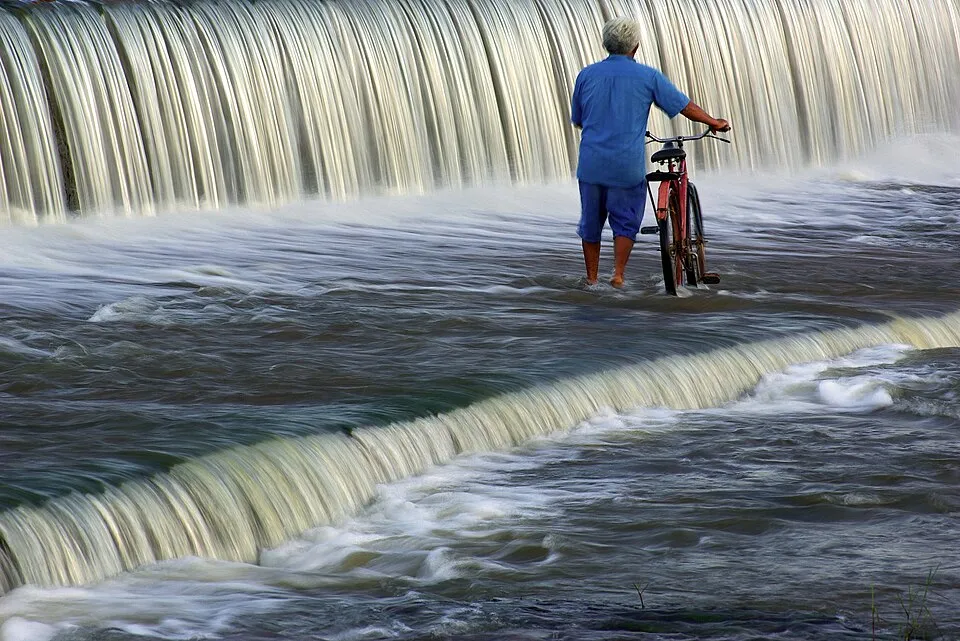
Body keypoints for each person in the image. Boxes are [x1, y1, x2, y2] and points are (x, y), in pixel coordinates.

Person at [571, 17, 731, 288]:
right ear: (635, 46)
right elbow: (682, 104)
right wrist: (712, 122)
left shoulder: (586, 75)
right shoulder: (648, 76)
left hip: (591, 163)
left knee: (591, 222)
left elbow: (578, 118)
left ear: (605, 44)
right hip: (625, 164)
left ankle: (591, 279)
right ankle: (618, 275)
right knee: (625, 221)